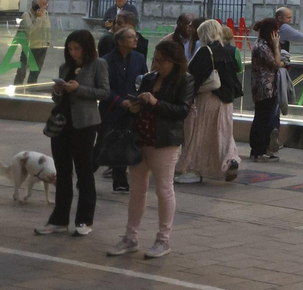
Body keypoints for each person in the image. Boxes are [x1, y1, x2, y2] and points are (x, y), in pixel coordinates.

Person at [105, 38, 193, 260]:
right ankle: (130, 237)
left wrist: (155, 102)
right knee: (137, 189)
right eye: (155, 59)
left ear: (175, 62)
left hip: (164, 141)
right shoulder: (149, 78)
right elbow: (139, 103)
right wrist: (135, 105)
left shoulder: (185, 80)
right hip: (140, 138)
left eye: (162, 61)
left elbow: (182, 110)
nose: (157, 65)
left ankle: (163, 239)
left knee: (164, 189)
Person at [35, 30, 108, 237]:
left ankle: (84, 219)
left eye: (77, 48)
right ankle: (59, 219)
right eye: (70, 49)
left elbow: (104, 92)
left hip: (84, 124)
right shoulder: (65, 66)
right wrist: (58, 90)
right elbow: (56, 98)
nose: (73, 52)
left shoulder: (98, 64)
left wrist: (79, 88)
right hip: (62, 124)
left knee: (84, 171)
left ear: (86, 48)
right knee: (63, 171)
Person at [173, 20, 242, 185]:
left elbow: (194, 78)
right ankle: (230, 159)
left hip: (207, 99)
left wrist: (185, 98)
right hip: (226, 101)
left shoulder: (205, 51)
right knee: (222, 133)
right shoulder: (228, 51)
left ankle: (193, 169)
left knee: (198, 134)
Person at [101, 26, 147, 193]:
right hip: (112, 108)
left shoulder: (140, 58)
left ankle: (120, 181)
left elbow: (144, 81)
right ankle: (87, 170)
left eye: (135, 36)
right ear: (120, 41)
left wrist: (137, 100)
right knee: (105, 144)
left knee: (125, 142)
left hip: (133, 107)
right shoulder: (105, 61)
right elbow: (104, 87)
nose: (136, 40)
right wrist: (120, 102)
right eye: (131, 37)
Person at [248, 18, 282, 162]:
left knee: (265, 118)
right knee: (262, 119)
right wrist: (275, 46)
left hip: (268, 86)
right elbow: (276, 64)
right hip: (264, 87)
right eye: (276, 31)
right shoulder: (261, 47)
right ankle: (258, 150)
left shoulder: (263, 45)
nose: (278, 34)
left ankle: (262, 148)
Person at [14, 0, 50, 85]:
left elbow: (47, 28)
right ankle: (17, 89)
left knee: (35, 72)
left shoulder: (45, 13)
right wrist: (39, 18)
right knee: (22, 72)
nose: (45, 6)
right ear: (36, 5)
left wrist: (47, 42)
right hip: (30, 47)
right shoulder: (26, 15)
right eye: (43, 4)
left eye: (46, 4)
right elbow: (30, 31)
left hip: (42, 47)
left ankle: (31, 90)